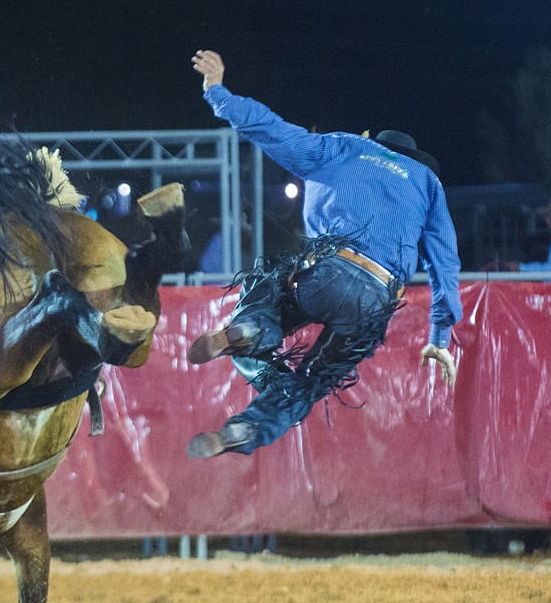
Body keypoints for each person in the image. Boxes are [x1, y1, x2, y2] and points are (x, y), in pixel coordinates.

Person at [185, 50, 461, 458]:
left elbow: (272, 130)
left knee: (269, 287)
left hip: (328, 270)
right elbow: (445, 264)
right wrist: (439, 337)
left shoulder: (345, 147)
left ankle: (249, 331)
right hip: (375, 301)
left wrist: (219, 92)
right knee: (312, 380)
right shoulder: (427, 182)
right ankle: (245, 429)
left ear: (374, 141)